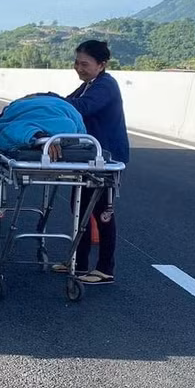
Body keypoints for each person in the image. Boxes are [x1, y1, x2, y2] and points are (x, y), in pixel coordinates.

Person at [57, 39, 129, 285]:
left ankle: (105, 268)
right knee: (79, 208)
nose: (78, 67)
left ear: (101, 64)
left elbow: (80, 108)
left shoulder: (105, 86)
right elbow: (69, 102)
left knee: (102, 212)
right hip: (89, 157)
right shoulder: (88, 85)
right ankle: (79, 261)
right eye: (76, 63)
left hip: (107, 159)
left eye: (84, 63)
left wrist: (51, 103)